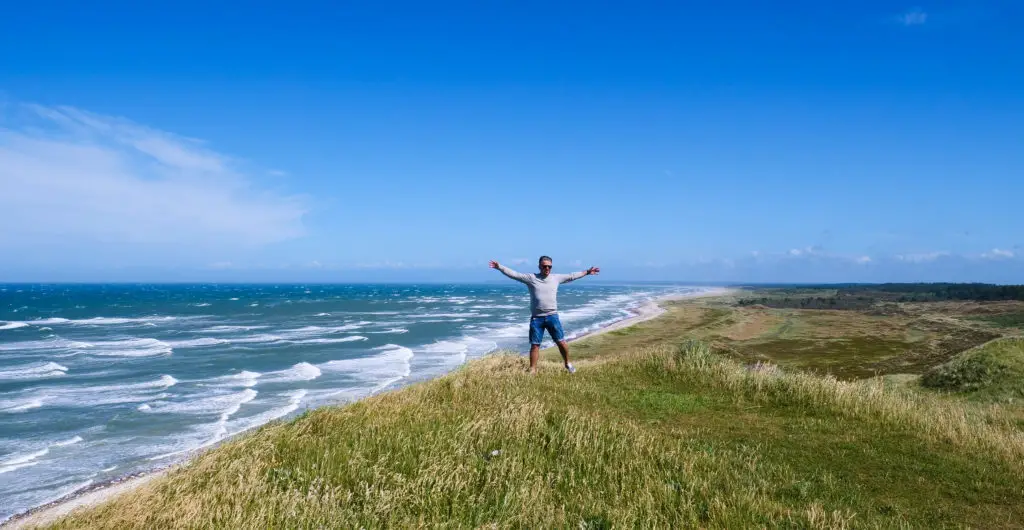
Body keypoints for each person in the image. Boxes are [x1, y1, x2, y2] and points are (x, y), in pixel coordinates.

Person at [489, 256, 600, 374]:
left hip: (552, 316)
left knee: (561, 342)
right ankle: (532, 370)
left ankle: (568, 363)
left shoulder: (556, 278)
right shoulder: (531, 278)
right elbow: (515, 274)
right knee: (535, 345)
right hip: (537, 318)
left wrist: (587, 272)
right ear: (539, 266)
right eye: (544, 266)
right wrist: (499, 267)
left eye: (549, 266)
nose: (547, 268)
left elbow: (572, 276)